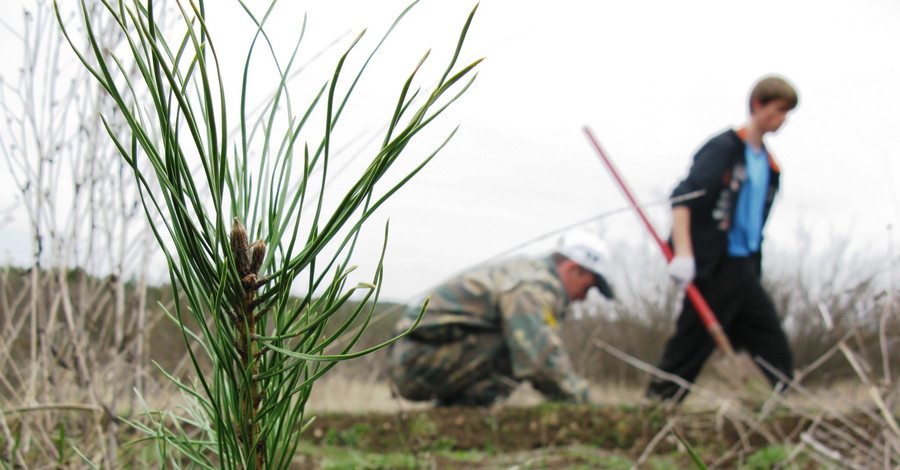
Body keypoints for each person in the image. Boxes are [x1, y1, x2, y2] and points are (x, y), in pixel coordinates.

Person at [647, 75, 799, 402]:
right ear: (758, 104)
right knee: (692, 344)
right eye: (780, 109)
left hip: (745, 267)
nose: (783, 119)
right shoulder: (725, 149)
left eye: (788, 112)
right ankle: (656, 407)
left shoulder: (770, 167)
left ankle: (767, 412)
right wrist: (684, 255)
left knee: (773, 349)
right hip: (713, 265)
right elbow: (684, 200)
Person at [388, 239, 615, 407]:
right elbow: (540, 361)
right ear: (574, 269)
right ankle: (467, 414)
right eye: (588, 288)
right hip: (415, 360)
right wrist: (583, 403)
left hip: (425, 356)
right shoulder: (530, 285)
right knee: (519, 343)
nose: (584, 298)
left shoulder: (531, 275)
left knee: (517, 342)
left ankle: (457, 415)